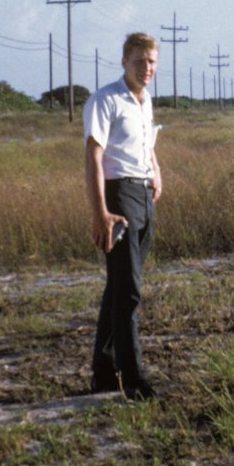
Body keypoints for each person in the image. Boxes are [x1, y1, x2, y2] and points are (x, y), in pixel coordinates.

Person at [83, 32, 163, 400]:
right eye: (139, 61)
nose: (147, 68)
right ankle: (134, 379)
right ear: (124, 62)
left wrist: (156, 172)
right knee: (129, 292)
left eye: (151, 62)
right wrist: (101, 212)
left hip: (144, 195)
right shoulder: (105, 100)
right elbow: (93, 158)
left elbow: (146, 144)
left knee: (118, 287)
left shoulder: (144, 101)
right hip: (119, 198)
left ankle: (103, 371)